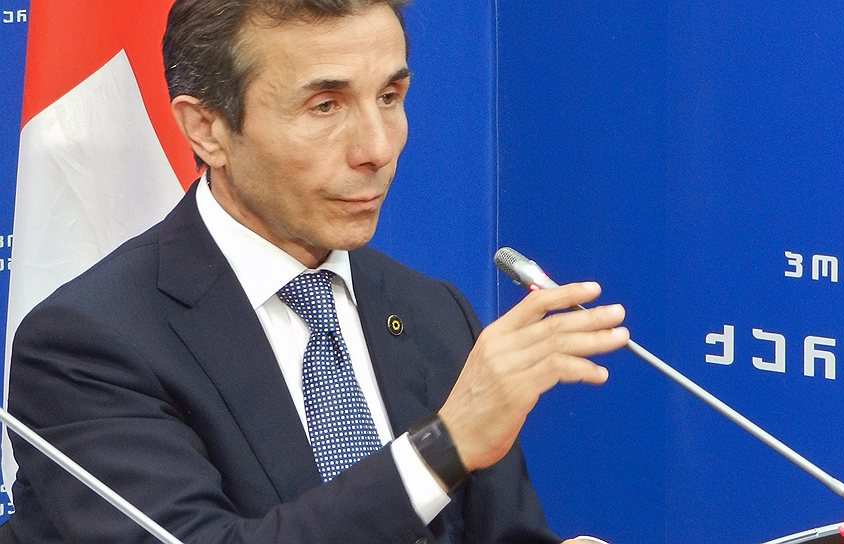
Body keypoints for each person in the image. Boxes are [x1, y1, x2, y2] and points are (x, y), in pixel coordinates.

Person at [7, 1, 629, 542]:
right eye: (325, 106)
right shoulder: (88, 345)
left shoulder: (434, 313)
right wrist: (442, 447)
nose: (377, 149)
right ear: (208, 129)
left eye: (390, 97)